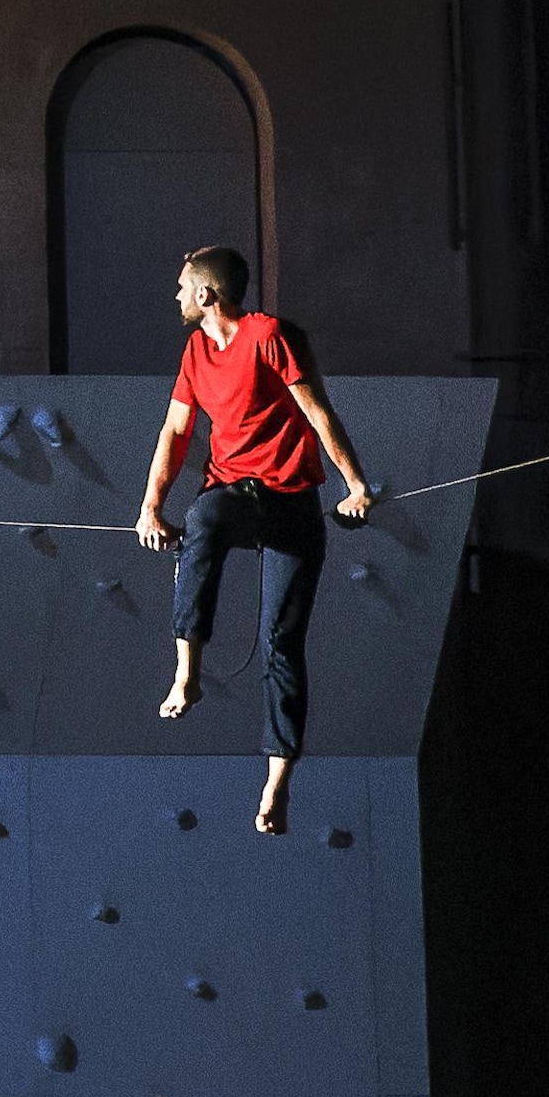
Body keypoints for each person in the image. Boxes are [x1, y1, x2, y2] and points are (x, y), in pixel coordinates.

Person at [130, 242, 382, 836]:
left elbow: (319, 412)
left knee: (282, 643)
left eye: (182, 287)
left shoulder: (270, 336)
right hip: (235, 495)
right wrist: (151, 508)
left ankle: (275, 788)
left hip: (291, 501)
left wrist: (355, 485)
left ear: (206, 294)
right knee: (205, 522)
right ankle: (187, 673)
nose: (176, 297)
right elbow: (175, 430)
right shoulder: (196, 350)